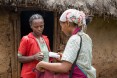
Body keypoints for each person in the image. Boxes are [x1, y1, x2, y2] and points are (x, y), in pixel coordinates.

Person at [36, 9, 96, 78]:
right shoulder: (86, 37)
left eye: (62, 25)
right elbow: (81, 61)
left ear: (67, 23)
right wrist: (65, 58)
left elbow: (64, 68)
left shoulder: (74, 39)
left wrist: (42, 64)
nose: (61, 29)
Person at [18, 14, 51, 78]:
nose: (39, 29)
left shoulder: (46, 39)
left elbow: (48, 54)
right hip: (30, 74)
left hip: (44, 74)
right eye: (36, 27)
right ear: (31, 26)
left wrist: (55, 56)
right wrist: (34, 57)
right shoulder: (26, 39)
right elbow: (19, 58)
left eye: (41, 26)